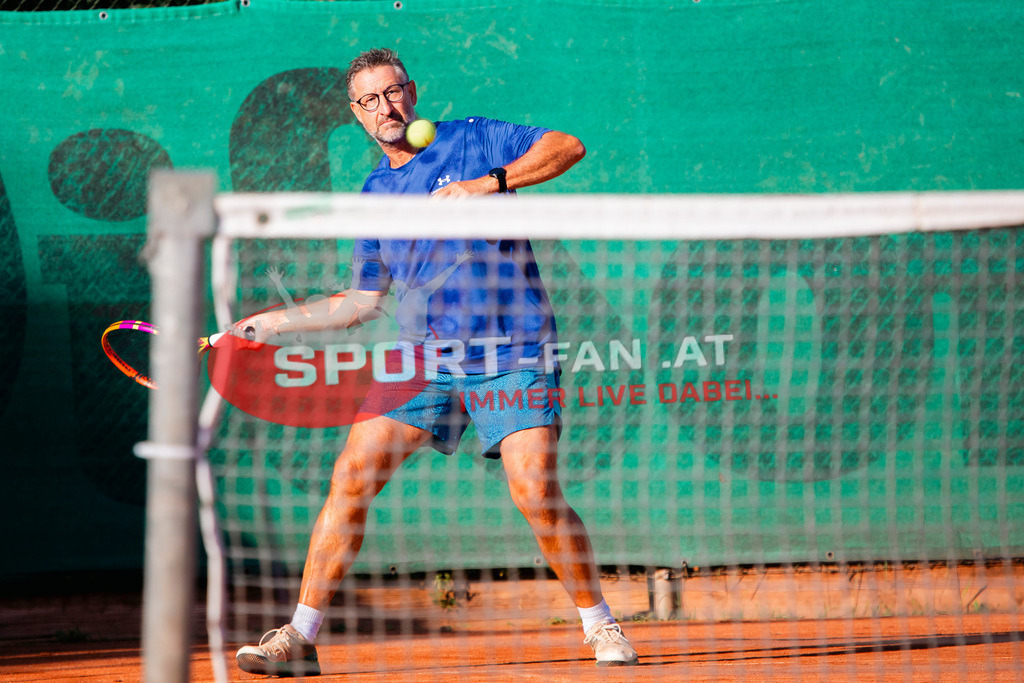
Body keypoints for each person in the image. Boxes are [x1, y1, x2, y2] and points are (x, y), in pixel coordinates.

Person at [234, 47, 639, 676]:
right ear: (356, 113)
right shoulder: (374, 194)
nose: (384, 107)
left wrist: (488, 184)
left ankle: (599, 622)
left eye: (392, 92)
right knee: (352, 473)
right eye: (368, 100)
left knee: (534, 491)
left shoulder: (475, 140)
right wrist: (273, 322)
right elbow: (363, 300)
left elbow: (569, 145)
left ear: (412, 93)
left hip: (513, 348)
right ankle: (301, 637)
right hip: (424, 357)